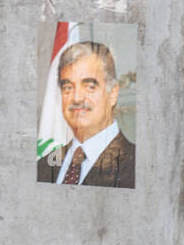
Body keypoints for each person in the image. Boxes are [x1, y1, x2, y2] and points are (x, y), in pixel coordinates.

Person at [36, 41, 136, 188]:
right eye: (68, 87)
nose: (77, 98)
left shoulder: (137, 166)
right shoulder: (43, 166)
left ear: (113, 93)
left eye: (89, 86)